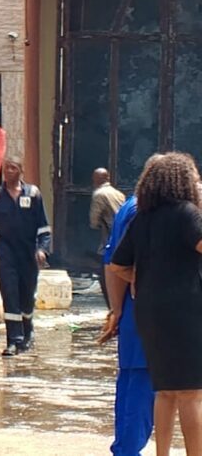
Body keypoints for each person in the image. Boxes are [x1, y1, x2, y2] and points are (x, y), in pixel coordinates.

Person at [108, 152, 202, 456]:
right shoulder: (187, 214)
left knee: (165, 392)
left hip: (148, 312)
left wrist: (139, 277)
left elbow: (117, 264)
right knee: (191, 393)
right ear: (183, 182)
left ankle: (162, 453)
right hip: (184, 310)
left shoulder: (143, 217)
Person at [99, 169, 157, 456]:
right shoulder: (143, 212)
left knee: (132, 380)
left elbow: (111, 261)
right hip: (146, 309)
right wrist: (119, 310)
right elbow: (118, 265)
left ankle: (124, 448)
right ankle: (128, 449)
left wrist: (116, 310)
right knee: (143, 384)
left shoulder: (130, 207)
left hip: (132, 309)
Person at [0, 155, 51, 356]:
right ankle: (13, 340)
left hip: (28, 253)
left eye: (13, 168)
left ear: (21, 171)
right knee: (9, 293)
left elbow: (43, 227)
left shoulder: (33, 194)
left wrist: (42, 249)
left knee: (26, 295)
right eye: (6, 168)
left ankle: (28, 332)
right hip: (6, 253)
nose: (9, 172)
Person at [91, 167, 126, 302]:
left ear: (95, 180)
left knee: (105, 274)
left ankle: (112, 305)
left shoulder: (99, 194)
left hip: (109, 237)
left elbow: (94, 221)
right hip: (123, 234)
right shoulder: (118, 193)